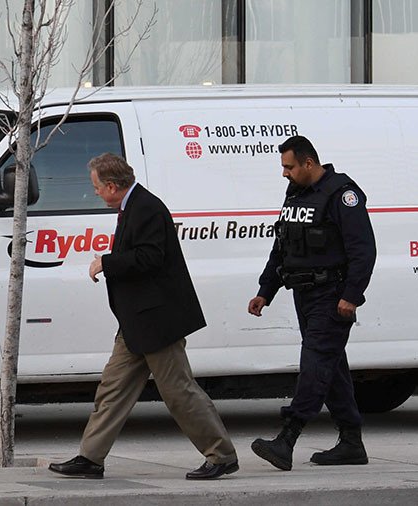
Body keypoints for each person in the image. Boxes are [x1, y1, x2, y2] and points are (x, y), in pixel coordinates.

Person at [49, 153, 238, 480]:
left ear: (111, 186)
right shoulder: (133, 206)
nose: (95, 192)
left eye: (96, 187)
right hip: (136, 321)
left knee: (179, 391)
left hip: (157, 321)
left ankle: (221, 455)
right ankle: (90, 458)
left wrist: (106, 263)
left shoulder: (147, 207)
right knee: (112, 390)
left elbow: (150, 257)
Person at [248, 135, 376, 471]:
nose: (284, 173)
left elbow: (363, 250)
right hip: (302, 294)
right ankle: (351, 442)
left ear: (308, 162)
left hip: (331, 296)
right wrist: (266, 290)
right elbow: (283, 246)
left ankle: (287, 438)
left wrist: (352, 295)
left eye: (289, 166)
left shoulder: (341, 194)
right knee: (331, 367)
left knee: (316, 363)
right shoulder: (296, 194)